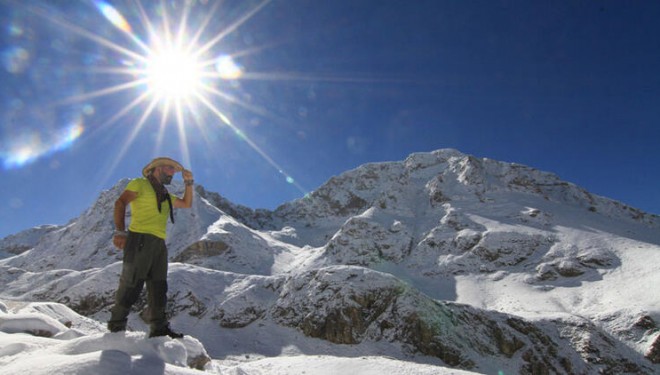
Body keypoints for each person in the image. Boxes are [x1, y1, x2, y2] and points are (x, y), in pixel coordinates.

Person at [107, 157, 194, 338]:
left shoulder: (165, 195)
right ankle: (116, 327)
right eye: (170, 168)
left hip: (159, 244)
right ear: (156, 169)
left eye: (174, 170)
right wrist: (120, 232)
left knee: (159, 286)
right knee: (131, 283)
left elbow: (186, 203)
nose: (172, 173)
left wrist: (189, 183)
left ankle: (159, 329)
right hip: (139, 238)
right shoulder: (139, 184)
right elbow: (120, 203)